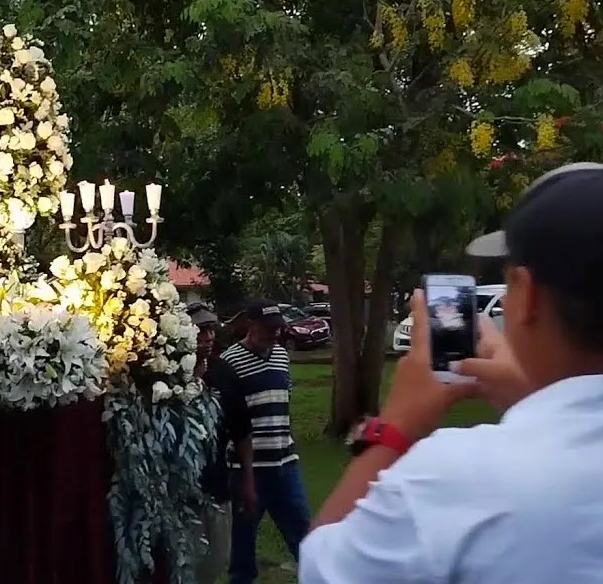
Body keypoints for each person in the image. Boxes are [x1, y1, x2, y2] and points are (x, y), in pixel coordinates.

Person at [299, 162, 603, 584]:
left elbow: (322, 569)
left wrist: (395, 425)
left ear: (528, 296)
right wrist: (535, 397)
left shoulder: (460, 477)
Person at [221, 299, 310, 584]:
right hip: (248, 471)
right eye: (268, 328)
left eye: (277, 328)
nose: (274, 334)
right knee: (242, 548)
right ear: (251, 324)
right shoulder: (229, 362)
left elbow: (284, 404)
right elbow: (228, 422)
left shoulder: (282, 356)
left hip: (286, 466)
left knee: (305, 539)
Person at [188, 304, 256, 584]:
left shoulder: (224, 372)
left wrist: (249, 483)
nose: (207, 337)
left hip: (216, 485)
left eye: (210, 330)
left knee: (215, 558)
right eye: (199, 330)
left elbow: (242, 432)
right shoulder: (160, 374)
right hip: (176, 489)